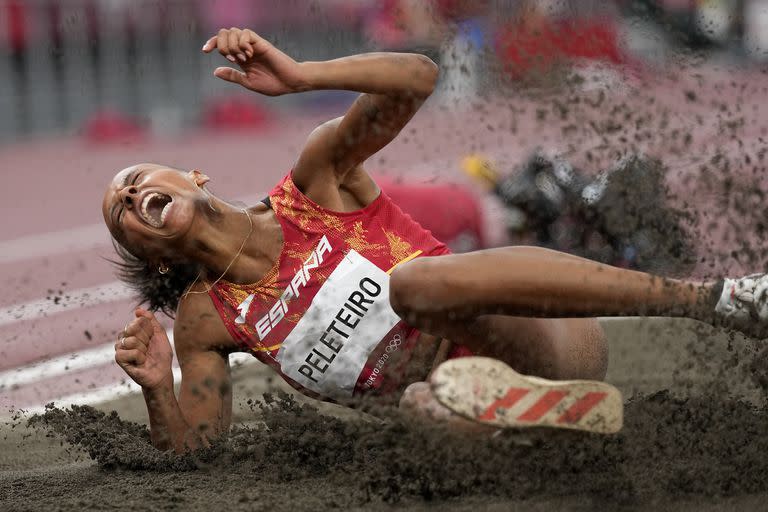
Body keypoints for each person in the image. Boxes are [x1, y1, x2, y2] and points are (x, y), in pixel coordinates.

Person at [102, 27, 767, 452]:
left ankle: (718, 300)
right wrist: (159, 389)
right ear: (151, 254)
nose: (132, 196)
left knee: (414, 284)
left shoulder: (312, 187)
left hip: (543, 342)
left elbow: (418, 76)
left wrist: (305, 78)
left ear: (191, 175)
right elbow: (202, 449)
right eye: (121, 210)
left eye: (133, 180)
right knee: (426, 408)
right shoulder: (205, 321)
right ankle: (562, 421)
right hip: (468, 413)